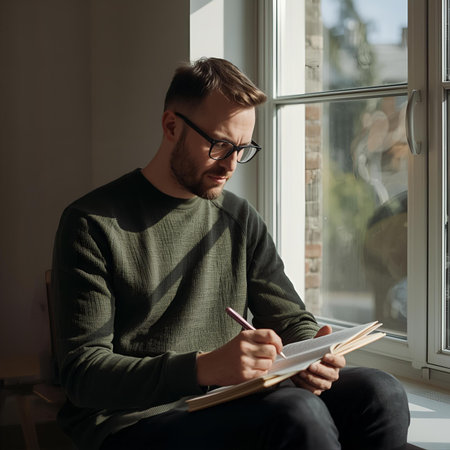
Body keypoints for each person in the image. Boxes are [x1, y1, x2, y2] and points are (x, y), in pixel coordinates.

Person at [51, 57, 410, 450]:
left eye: (243, 149)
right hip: (133, 421)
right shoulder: (92, 223)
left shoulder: (238, 218)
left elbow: (291, 318)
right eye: (220, 145)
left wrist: (312, 355)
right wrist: (203, 367)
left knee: (381, 392)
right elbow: (83, 376)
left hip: (232, 398)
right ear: (171, 126)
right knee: (296, 414)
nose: (231, 165)